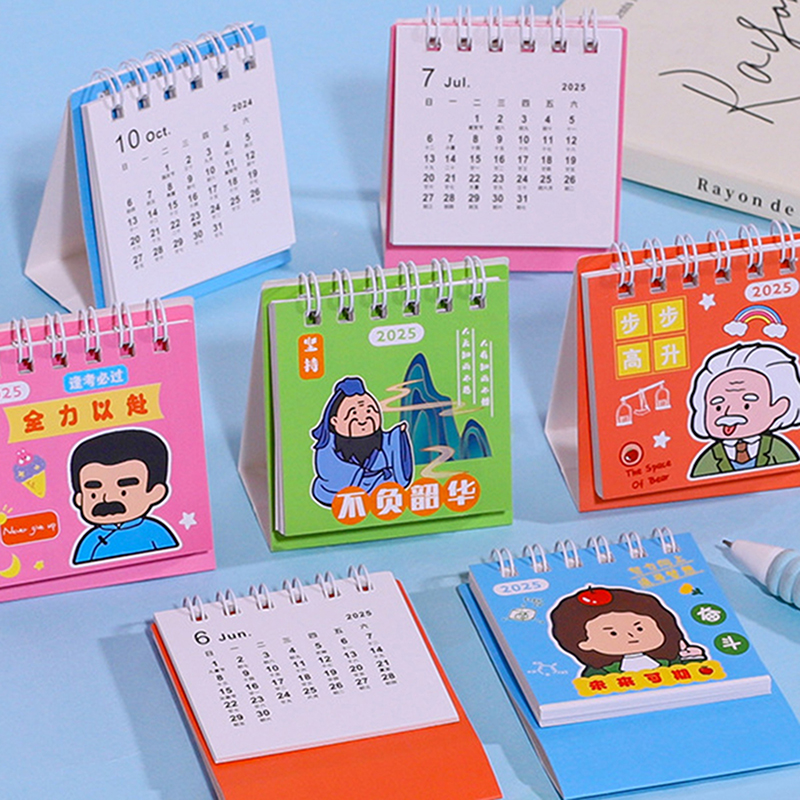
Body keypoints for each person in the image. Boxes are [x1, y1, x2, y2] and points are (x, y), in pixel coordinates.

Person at [687, 342, 800, 478]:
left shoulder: (777, 447)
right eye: (718, 407)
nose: (728, 413)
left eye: (746, 405)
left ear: (779, 407)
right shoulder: (710, 457)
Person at [70, 429, 179, 564]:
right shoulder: (90, 541)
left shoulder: (155, 532)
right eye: (94, 491)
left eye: (124, 490)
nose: (107, 498)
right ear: (79, 498)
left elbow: (173, 560)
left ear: (155, 493)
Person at [549, 586, 706, 677]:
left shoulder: (670, 660)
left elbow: (697, 674)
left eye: (639, 628)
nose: (632, 636)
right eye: (613, 633)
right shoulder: (599, 672)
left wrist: (693, 657)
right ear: (585, 644)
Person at [310, 376, 413, 507]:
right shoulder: (327, 447)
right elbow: (330, 475)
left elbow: (390, 446)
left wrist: (398, 436)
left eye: (369, 411)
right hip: (343, 488)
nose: (363, 420)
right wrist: (359, 472)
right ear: (335, 421)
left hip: (379, 482)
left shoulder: (382, 439)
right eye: (353, 414)